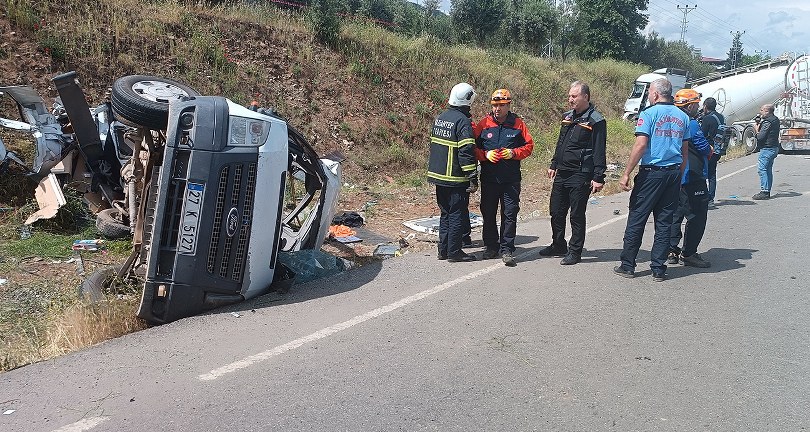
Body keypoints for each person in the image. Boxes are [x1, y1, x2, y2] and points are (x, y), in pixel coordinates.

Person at [614, 78, 691, 281]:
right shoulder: (683, 117)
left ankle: (628, 265)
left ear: (655, 94)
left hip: (651, 173)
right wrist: (679, 175)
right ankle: (658, 268)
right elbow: (685, 152)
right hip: (673, 173)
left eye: (649, 92)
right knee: (664, 222)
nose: (648, 95)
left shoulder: (648, 114)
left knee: (637, 218)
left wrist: (626, 173)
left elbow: (641, 145)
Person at [539, 81, 607, 265]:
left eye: (574, 96)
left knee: (576, 214)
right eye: (569, 96)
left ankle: (575, 251)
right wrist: (554, 164)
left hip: (581, 174)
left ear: (585, 97)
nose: (570, 99)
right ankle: (558, 245)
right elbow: (561, 142)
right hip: (562, 172)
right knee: (556, 211)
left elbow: (599, 150)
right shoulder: (567, 117)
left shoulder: (596, 120)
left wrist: (598, 176)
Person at [474, 89, 535, 267]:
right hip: (489, 179)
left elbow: (529, 146)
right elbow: (472, 148)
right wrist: (485, 155)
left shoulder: (518, 124)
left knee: (509, 213)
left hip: (511, 180)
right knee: (488, 213)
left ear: (508, 105)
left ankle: (507, 249)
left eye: (501, 105)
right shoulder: (484, 124)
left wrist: (514, 153)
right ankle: (491, 246)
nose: (497, 109)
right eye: (495, 105)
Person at [427, 82, 479, 262]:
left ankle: (443, 250)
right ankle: (455, 252)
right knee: (457, 214)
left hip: (438, 177)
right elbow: (466, 151)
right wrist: (472, 176)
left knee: (445, 214)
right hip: (455, 178)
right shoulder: (462, 121)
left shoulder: (441, 118)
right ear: (468, 100)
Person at [668, 89, 713, 268]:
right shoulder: (691, 123)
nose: (698, 108)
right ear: (690, 105)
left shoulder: (670, 120)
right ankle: (689, 253)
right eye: (696, 104)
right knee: (697, 215)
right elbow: (703, 147)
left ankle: (671, 250)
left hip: (673, 174)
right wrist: (710, 149)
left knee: (675, 214)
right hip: (691, 175)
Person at [752, 104, 780, 200]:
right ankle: (767, 190)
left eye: (762, 110)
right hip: (774, 147)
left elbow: (760, 137)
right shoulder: (775, 119)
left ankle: (764, 191)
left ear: (767, 111)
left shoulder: (767, 122)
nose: (760, 112)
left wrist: (756, 129)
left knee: (762, 169)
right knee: (768, 170)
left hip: (767, 148)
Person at [700, 97, 725, 207]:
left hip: (709, 149)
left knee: (703, 174)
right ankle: (711, 198)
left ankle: (704, 198)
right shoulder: (721, 117)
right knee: (712, 175)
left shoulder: (707, 119)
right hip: (718, 149)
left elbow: (702, 134)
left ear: (705, 106)